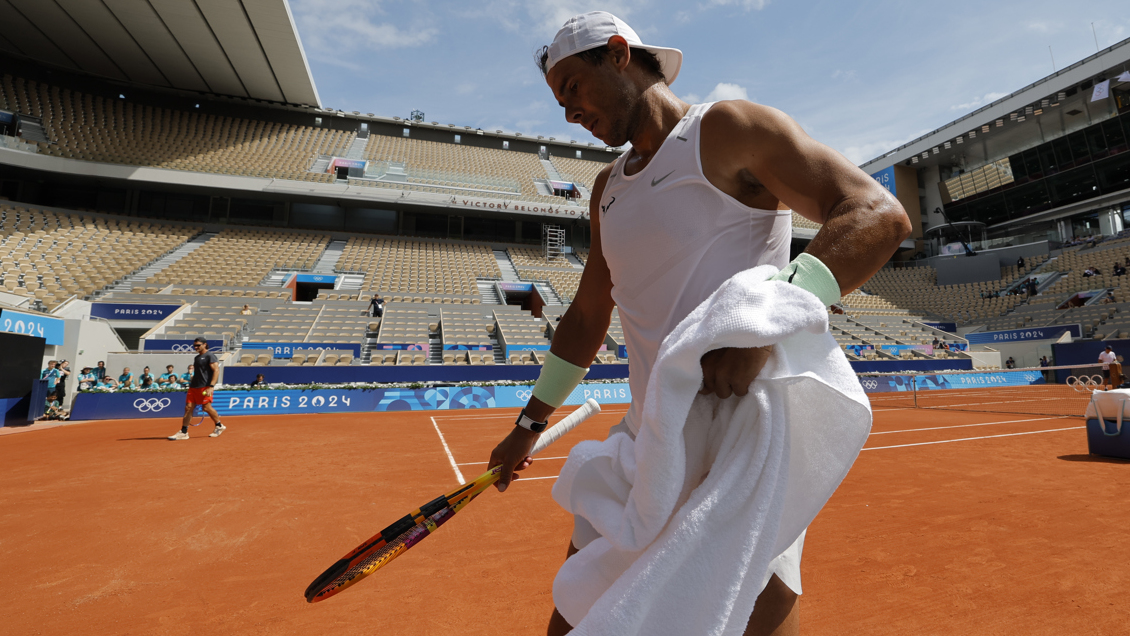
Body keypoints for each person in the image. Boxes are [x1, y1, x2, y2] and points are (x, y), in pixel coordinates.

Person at [487, 12, 912, 636]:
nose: (569, 112)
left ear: (617, 54)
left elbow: (877, 212)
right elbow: (585, 315)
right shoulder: (608, 188)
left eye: (573, 87)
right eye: (560, 100)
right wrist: (530, 423)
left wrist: (763, 327)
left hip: (739, 427)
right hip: (648, 430)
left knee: (750, 607)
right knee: (579, 614)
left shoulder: (726, 128)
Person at [168, 337, 225, 440]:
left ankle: (219, 426)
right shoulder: (197, 358)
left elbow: (216, 371)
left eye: (198, 345)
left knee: (206, 408)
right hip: (193, 387)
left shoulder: (210, 356)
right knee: (188, 408)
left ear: (204, 344)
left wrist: (211, 386)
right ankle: (184, 432)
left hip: (205, 387)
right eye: (194, 345)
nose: (196, 347)